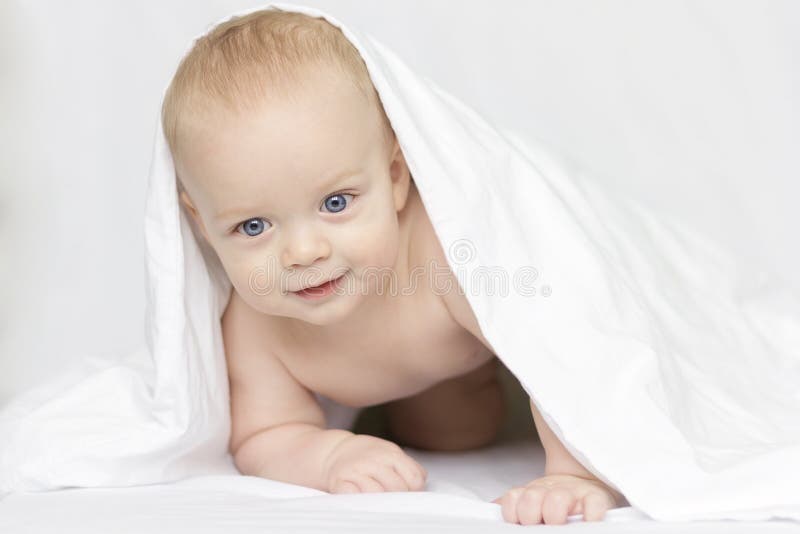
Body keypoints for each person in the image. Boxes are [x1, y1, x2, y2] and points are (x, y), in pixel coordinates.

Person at [163, 8, 624, 525]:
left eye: (336, 202)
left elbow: (558, 343)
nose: (304, 252)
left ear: (397, 177)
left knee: (495, 398)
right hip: (431, 379)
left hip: (478, 343)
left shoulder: (449, 253)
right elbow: (264, 435)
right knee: (455, 437)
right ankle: (426, 401)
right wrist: (329, 456)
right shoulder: (253, 328)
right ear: (201, 225)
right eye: (253, 227)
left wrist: (573, 474)